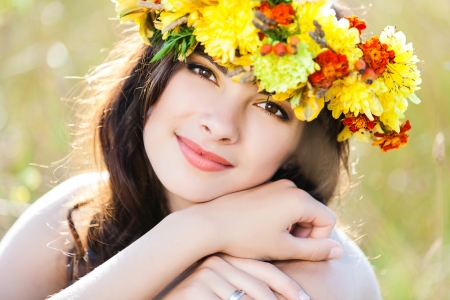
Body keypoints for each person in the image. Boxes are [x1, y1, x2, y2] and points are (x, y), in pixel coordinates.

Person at [0, 0, 421, 298]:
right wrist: (197, 231)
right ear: (155, 70)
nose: (219, 125)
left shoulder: (314, 276)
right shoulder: (80, 213)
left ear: (303, 149)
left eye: (271, 107)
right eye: (204, 72)